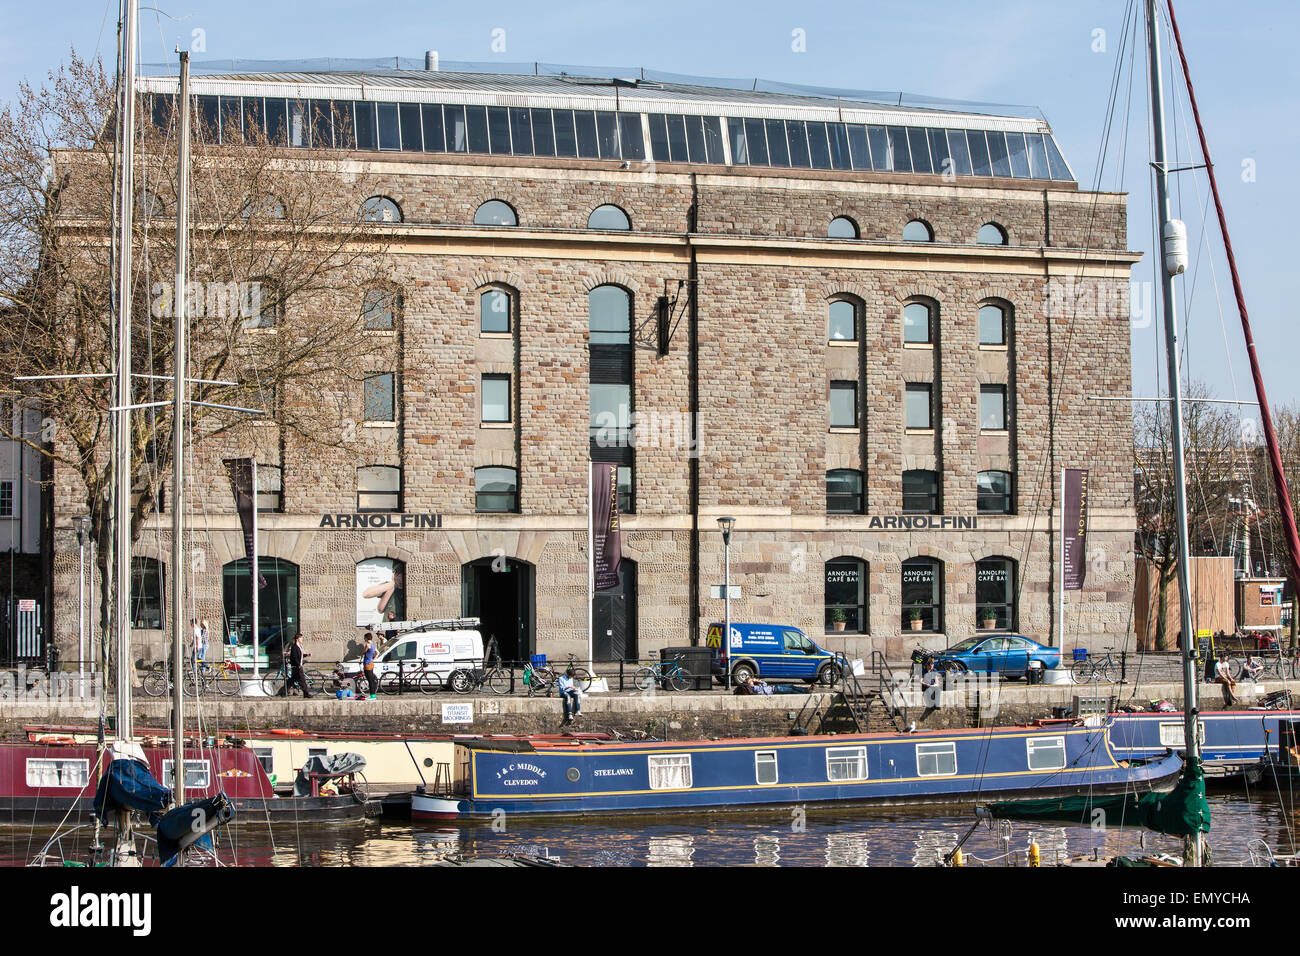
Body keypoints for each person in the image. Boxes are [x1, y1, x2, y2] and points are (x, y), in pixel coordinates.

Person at [283, 633, 313, 698]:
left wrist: (306, 655)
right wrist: (298, 664)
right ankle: (306, 694)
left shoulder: (299, 646)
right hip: (297, 667)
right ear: (297, 639)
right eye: (301, 638)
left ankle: (284, 691)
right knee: (302, 680)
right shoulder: (294, 647)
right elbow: (294, 656)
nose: (302, 639)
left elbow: (300, 655)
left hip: (297, 666)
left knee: (292, 680)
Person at [361, 633, 378, 699]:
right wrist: (373, 659)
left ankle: (372, 695)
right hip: (371, 663)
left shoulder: (368, 645)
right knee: (371, 679)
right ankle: (372, 695)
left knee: (370, 680)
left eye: (364, 637)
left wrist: (363, 651)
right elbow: (377, 652)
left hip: (367, 663)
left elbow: (363, 652)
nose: (364, 639)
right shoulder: (373, 645)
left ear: (366, 638)